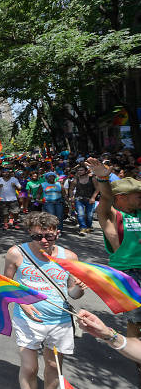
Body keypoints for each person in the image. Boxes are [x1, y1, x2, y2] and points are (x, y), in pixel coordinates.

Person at [4, 212, 86, 389]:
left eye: (48, 235)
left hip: (60, 321)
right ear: (30, 234)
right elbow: (5, 285)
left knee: (54, 366)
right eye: (37, 236)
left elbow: (73, 293)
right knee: (29, 367)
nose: (43, 240)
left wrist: (79, 289)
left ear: (57, 233)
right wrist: (23, 303)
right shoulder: (16, 254)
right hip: (27, 320)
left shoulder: (70, 257)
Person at [85, 158, 141, 375]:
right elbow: (106, 196)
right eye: (138, 196)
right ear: (122, 198)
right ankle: (136, 357)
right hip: (128, 273)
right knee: (136, 320)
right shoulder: (111, 215)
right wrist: (102, 177)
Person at [69, 165, 99, 235]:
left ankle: (89, 227)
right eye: (78, 170)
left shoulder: (92, 178)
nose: (79, 172)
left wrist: (93, 198)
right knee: (80, 214)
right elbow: (71, 189)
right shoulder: (76, 179)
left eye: (81, 170)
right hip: (79, 199)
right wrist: (72, 197)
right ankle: (82, 228)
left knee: (90, 215)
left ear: (86, 171)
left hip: (90, 199)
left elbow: (98, 189)